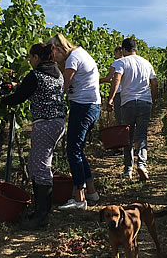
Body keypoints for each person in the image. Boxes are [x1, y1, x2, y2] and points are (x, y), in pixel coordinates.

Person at [1, 43, 66, 229]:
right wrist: (16, 85)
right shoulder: (56, 73)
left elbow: (20, 97)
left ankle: (42, 217)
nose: (30, 61)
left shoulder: (36, 75)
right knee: (37, 165)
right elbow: (30, 88)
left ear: (36, 57)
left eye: (31, 57)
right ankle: (40, 211)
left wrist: (2, 101)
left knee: (41, 167)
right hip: (57, 122)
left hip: (44, 124)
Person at [46, 33, 100, 211]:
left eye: (54, 57)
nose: (54, 61)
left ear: (59, 50)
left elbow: (63, 86)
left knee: (73, 150)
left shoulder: (72, 59)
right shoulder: (80, 53)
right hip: (91, 106)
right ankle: (91, 192)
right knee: (77, 149)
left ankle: (79, 198)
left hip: (83, 106)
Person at [107, 38, 158, 181]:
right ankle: (142, 164)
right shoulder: (146, 63)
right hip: (145, 102)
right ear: (135, 48)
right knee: (141, 136)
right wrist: (154, 100)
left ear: (123, 50)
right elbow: (154, 83)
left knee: (127, 137)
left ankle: (128, 170)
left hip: (128, 102)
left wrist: (110, 98)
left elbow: (116, 79)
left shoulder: (122, 62)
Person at [100, 45, 125, 157]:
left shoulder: (116, 63)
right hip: (129, 94)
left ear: (119, 52)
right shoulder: (129, 62)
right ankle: (131, 147)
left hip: (119, 94)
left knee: (120, 120)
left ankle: (120, 148)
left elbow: (109, 78)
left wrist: (96, 81)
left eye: (114, 52)